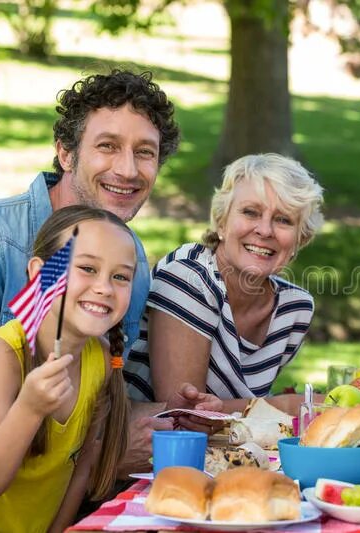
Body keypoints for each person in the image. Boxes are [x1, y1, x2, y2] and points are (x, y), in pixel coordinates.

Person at [0, 69, 218, 477]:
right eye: (108, 146)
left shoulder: (132, 262)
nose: (127, 170)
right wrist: (92, 460)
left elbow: (96, 398)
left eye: (145, 152)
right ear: (66, 154)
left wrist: (174, 414)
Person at [0, 206, 135, 531]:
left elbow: (81, 469)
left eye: (120, 276)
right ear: (40, 273)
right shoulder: (0, 358)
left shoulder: (100, 359)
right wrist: (29, 409)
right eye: (87, 268)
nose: (104, 287)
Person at [123, 153, 324, 415]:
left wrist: (260, 411)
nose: (265, 230)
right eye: (250, 212)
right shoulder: (188, 278)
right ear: (221, 221)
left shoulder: (294, 308)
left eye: (283, 220)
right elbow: (183, 414)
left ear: (301, 238)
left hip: (228, 452)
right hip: (149, 449)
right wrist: (286, 406)